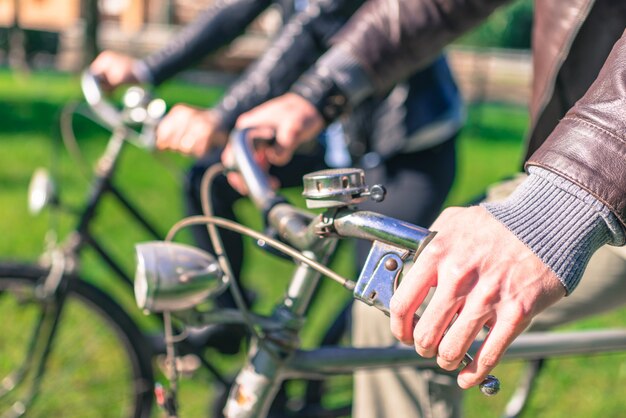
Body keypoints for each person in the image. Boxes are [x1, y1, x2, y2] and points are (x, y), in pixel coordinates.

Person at [91, 0, 466, 416]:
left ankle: (326, 386)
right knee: (208, 178)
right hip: (341, 150)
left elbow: (317, 25)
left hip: (405, 153)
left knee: (376, 307)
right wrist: (147, 71)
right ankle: (229, 317)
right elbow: (233, 12)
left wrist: (222, 116)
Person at [233, 0, 626, 395]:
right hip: (569, 173)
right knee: (403, 298)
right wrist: (320, 92)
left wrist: (555, 213)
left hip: (591, 190)